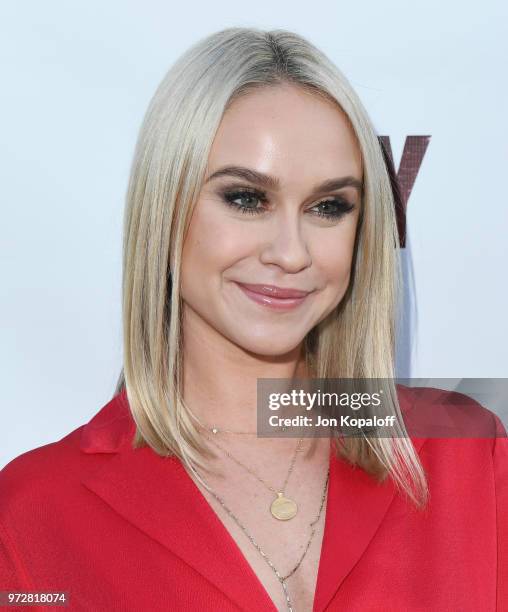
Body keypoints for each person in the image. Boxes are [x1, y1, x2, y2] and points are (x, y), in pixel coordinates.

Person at [0, 27, 506, 612]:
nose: (290, 253)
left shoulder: (468, 453)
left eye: (328, 207)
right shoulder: (34, 514)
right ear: (164, 210)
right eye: (245, 198)